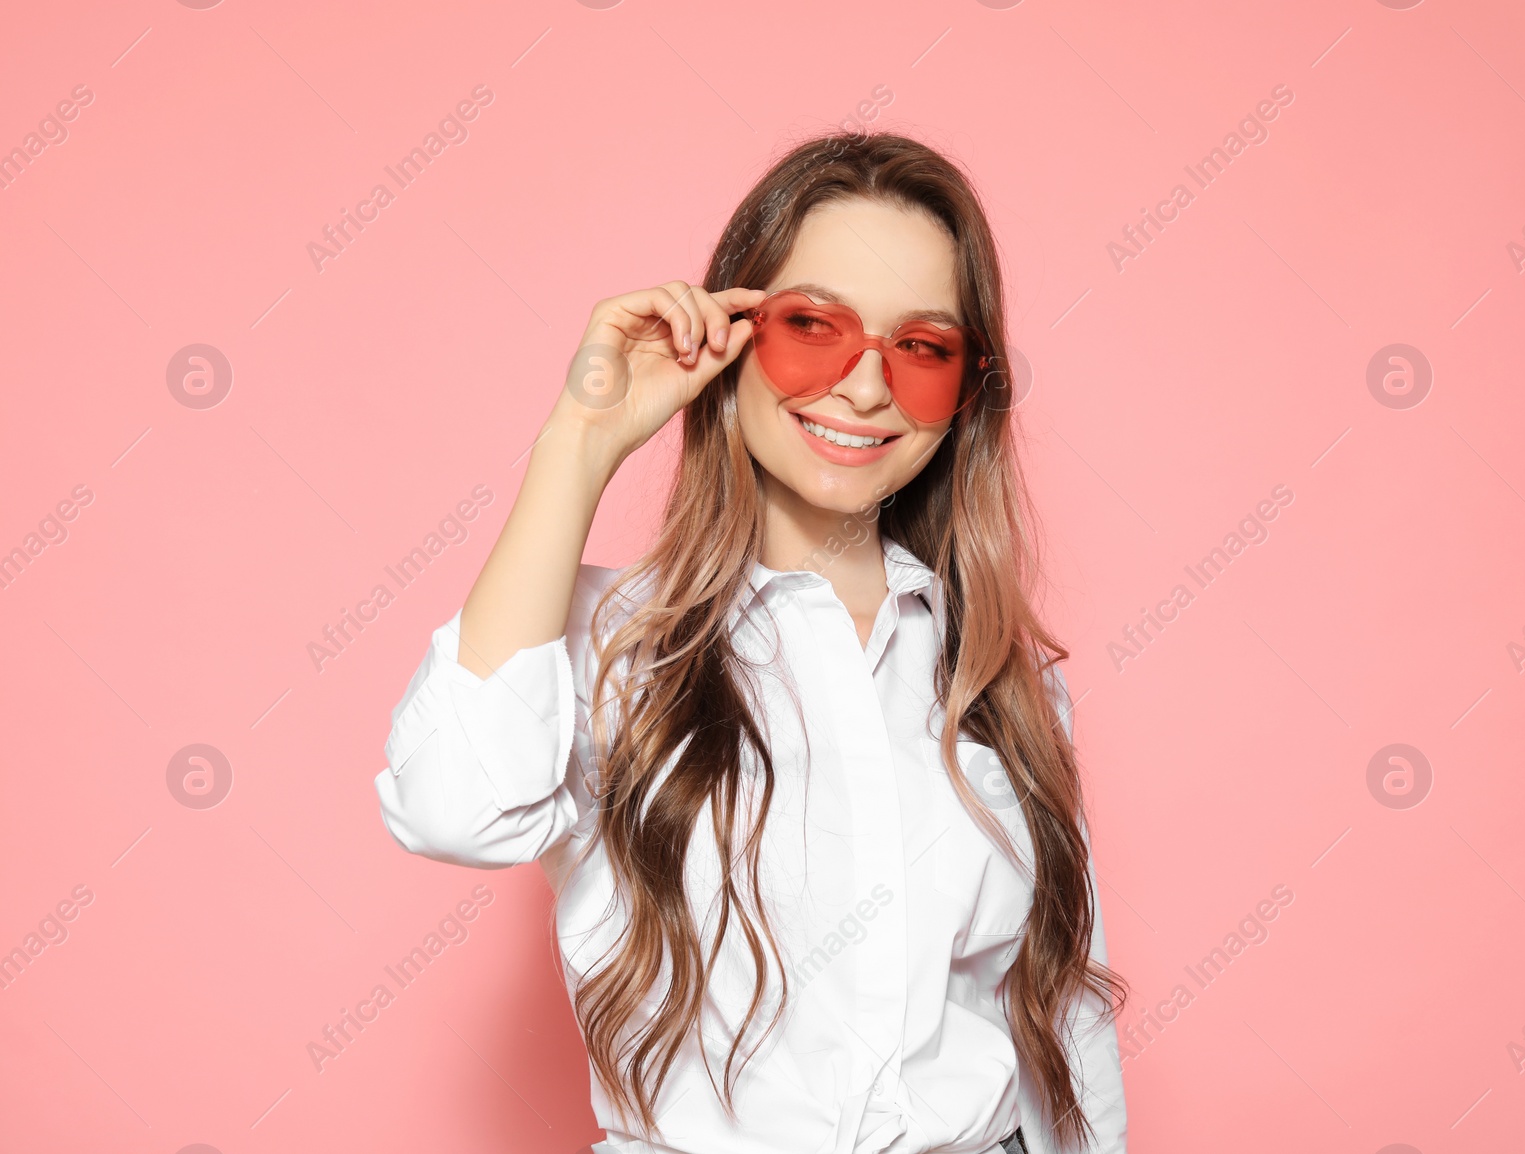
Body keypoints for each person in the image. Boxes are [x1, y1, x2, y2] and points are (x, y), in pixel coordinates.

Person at [374, 131, 1128, 1154]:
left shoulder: (1002, 674)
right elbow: (452, 809)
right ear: (730, 334)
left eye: (920, 347)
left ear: (964, 391)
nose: (865, 388)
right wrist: (580, 438)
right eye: (814, 325)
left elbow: (1062, 1019)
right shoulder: (606, 640)